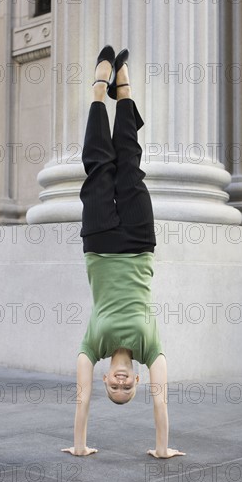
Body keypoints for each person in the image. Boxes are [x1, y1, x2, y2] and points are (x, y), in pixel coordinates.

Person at [61, 46, 186, 459]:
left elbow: (80, 403)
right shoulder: (151, 349)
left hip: (98, 243)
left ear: (103, 380)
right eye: (126, 387)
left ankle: (100, 91)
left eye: (113, 387)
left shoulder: (91, 347)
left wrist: (79, 447)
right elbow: (162, 403)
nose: (119, 382)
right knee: (130, 163)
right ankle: (125, 89)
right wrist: (162, 448)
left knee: (99, 165)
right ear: (136, 379)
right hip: (137, 242)